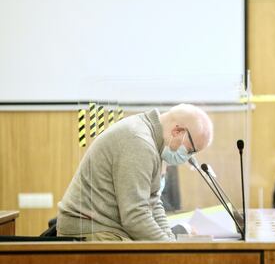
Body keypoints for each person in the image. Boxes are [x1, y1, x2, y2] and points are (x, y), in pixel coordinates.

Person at [57, 103, 213, 241]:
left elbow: (153, 203)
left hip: (108, 230)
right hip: (94, 232)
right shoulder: (139, 142)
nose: (188, 157)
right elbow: (135, 216)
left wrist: (170, 241)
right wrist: (169, 250)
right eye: (190, 150)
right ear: (177, 131)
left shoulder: (153, 142)